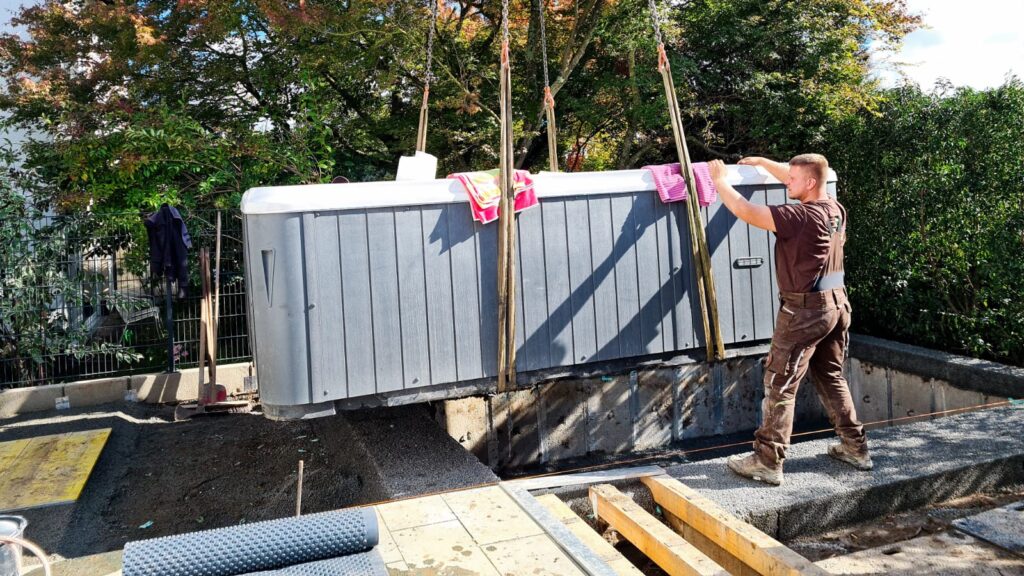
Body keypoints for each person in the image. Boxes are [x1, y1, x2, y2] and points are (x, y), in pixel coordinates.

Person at [706, 154, 871, 486]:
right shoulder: (834, 209)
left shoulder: (801, 216)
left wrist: (720, 180)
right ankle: (857, 449)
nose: (786, 184)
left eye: (792, 181)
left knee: (780, 383)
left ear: (809, 183)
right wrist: (765, 163)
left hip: (805, 312)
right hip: (836, 305)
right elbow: (800, 177)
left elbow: (746, 211)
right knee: (830, 376)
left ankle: (767, 461)